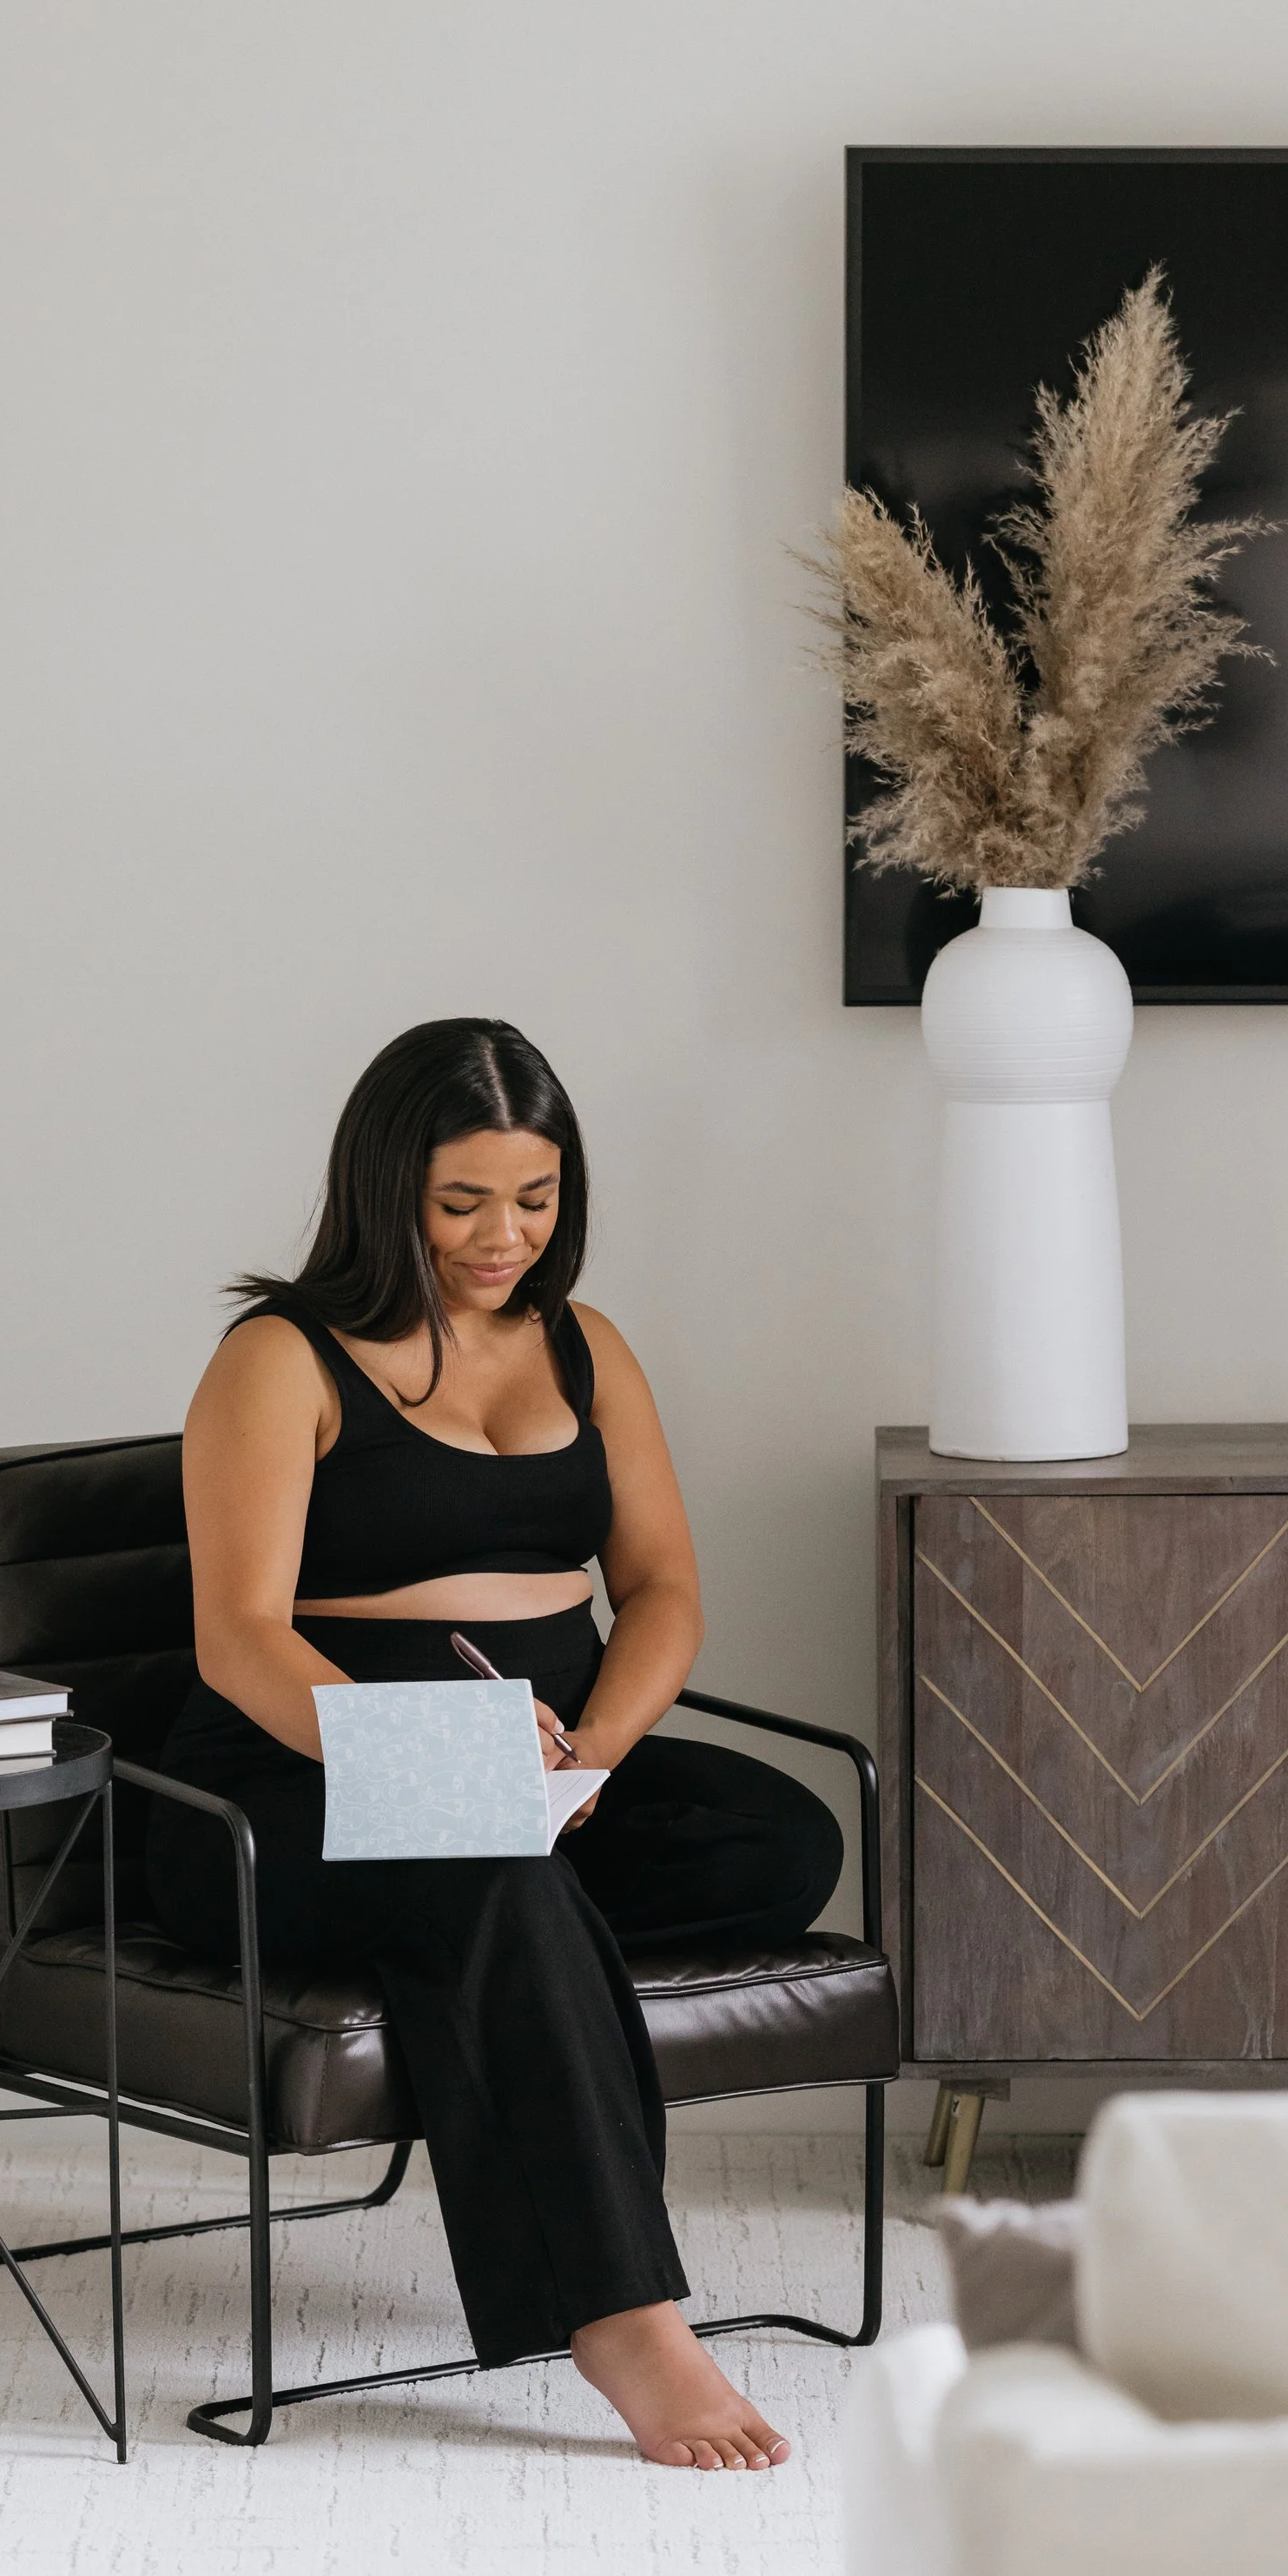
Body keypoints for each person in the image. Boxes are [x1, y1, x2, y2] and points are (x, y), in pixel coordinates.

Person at [146, 1021, 844, 2470]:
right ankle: (623, 2316)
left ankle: (502, 1937)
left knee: (781, 1838)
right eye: (463, 1201)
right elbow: (242, 1640)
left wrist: (584, 1754)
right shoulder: (280, 1359)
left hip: (540, 1772)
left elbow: (662, 1591)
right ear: (386, 1184)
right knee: (497, 1885)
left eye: (534, 1199)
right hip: (292, 1789)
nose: (502, 1236)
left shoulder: (588, 1347)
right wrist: (444, 1754)